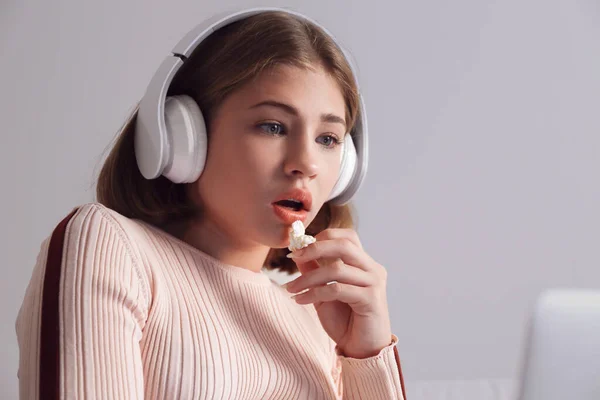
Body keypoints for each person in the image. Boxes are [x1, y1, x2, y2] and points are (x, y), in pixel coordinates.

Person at [16, 7, 407, 400]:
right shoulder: (111, 247)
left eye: (328, 139)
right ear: (185, 136)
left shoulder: (316, 314)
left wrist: (366, 353)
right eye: (273, 126)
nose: (306, 163)